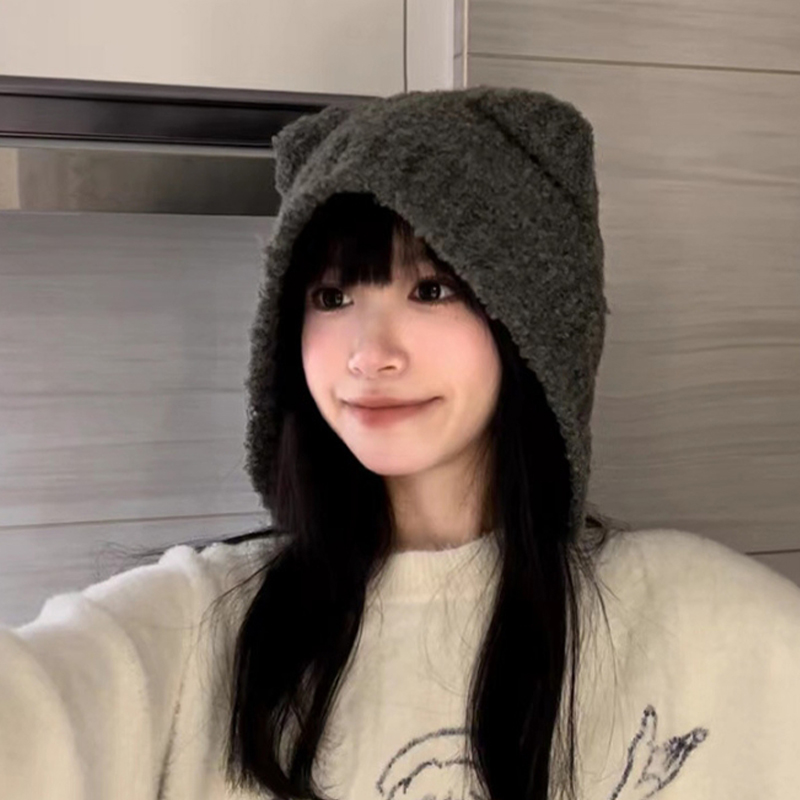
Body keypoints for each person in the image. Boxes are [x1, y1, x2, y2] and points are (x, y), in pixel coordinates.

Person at [2, 85, 799, 800]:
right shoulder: (195, 627)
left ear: (533, 329)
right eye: (331, 295)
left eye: (430, 288)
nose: (368, 354)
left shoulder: (707, 618)